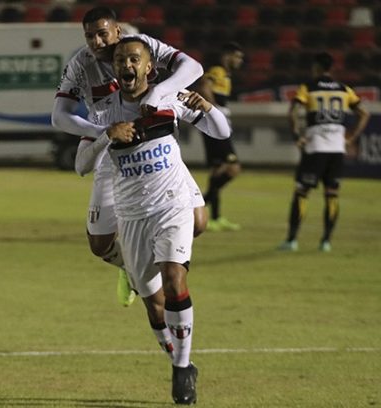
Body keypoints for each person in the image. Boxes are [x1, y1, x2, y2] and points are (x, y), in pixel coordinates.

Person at [75, 37, 231, 405]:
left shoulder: (169, 99)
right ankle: (179, 358)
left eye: (134, 58)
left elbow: (222, 132)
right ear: (114, 69)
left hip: (171, 204)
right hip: (131, 215)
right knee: (154, 303)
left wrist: (208, 106)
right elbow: (81, 165)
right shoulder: (102, 112)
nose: (126, 64)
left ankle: (181, 367)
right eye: (120, 59)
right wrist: (105, 138)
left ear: (149, 67)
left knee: (175, 277)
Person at [52, 6, 206, 307]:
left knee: (198, 223)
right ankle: (129, 266)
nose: (96, 42)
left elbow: (193, 68)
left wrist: (156, 94)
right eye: (90, 36)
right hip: (115, 156)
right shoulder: (82, 64)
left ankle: (156, 264)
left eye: (102, 34)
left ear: (117, 32)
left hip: (159, 153)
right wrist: (103, 130)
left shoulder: (143, 45)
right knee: (99, 245)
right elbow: (59, 117)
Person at [278, 52, 369, 252]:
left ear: (316, 67)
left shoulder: (308, 88)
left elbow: (293, 111)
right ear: (332, 68)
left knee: (302, 192)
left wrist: (297, 135)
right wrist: (351, 137)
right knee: (332, 194)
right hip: (337, 149)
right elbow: (364, 113)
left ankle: (292, 240)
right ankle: (326, 241)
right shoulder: (344, 89)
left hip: (316, 147)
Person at [199, 42, 244, 232]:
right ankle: (199, 204)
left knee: (217, 171)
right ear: (227, 56)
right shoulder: (217, 71)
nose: (239, 61)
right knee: (233, 168)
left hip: (217, 126)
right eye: (237, 56)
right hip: (215, 127)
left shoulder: (226, 76)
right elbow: (203, 86)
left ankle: (215, 217)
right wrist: (214, 109)